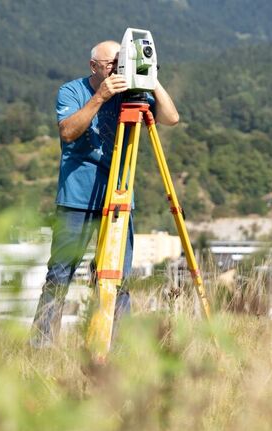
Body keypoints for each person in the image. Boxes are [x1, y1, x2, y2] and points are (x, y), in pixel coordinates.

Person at [30, 39, 179, 347]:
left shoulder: (131, 95)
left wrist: (149, 79)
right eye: (111, 64)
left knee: (114, 279)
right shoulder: (72, 91)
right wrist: (100, 97)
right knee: (59, 276)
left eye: (121, 62)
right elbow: (68, 131)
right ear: (93, 66)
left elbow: (171, 118)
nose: (117, 69)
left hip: (118, 198)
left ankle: (116, 348)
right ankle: (41, 346)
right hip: (76, 201)